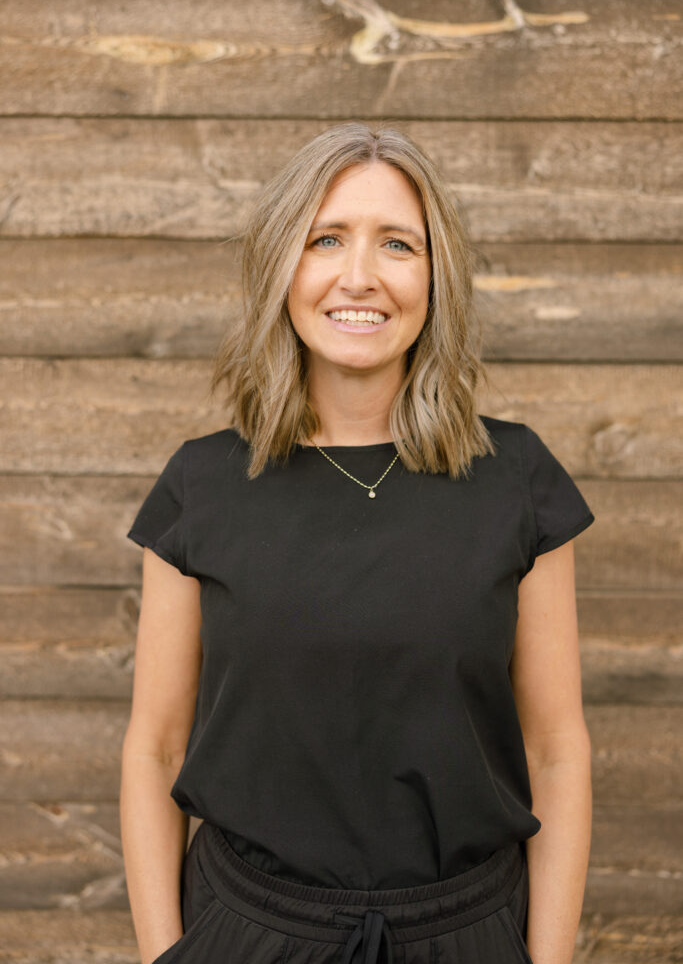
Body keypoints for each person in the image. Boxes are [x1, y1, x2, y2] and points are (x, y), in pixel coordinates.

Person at [120, 122, 595, 964]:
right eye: (325, 239)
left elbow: (555, 750)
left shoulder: (518, 479)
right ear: (282, 268)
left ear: (434, 273)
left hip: (467, 936)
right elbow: (155, 746)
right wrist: (167, 956)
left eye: (397, 245)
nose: (359, 276)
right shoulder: (202, 486)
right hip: (248, 934)